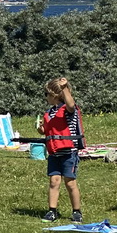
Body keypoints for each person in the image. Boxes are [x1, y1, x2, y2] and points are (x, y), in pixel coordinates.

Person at [38, 76, 84, 223]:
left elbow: (71, 104)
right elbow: (47, 130)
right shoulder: (49, 112)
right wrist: (41, 129)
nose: (46, 98)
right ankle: (52, 211)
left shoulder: (68, 110)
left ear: (54, 95)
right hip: (54, 153)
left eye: (47, 95)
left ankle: (76, 211)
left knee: (70, 183)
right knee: (54, 181)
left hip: (68, 152)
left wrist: (64, 88)